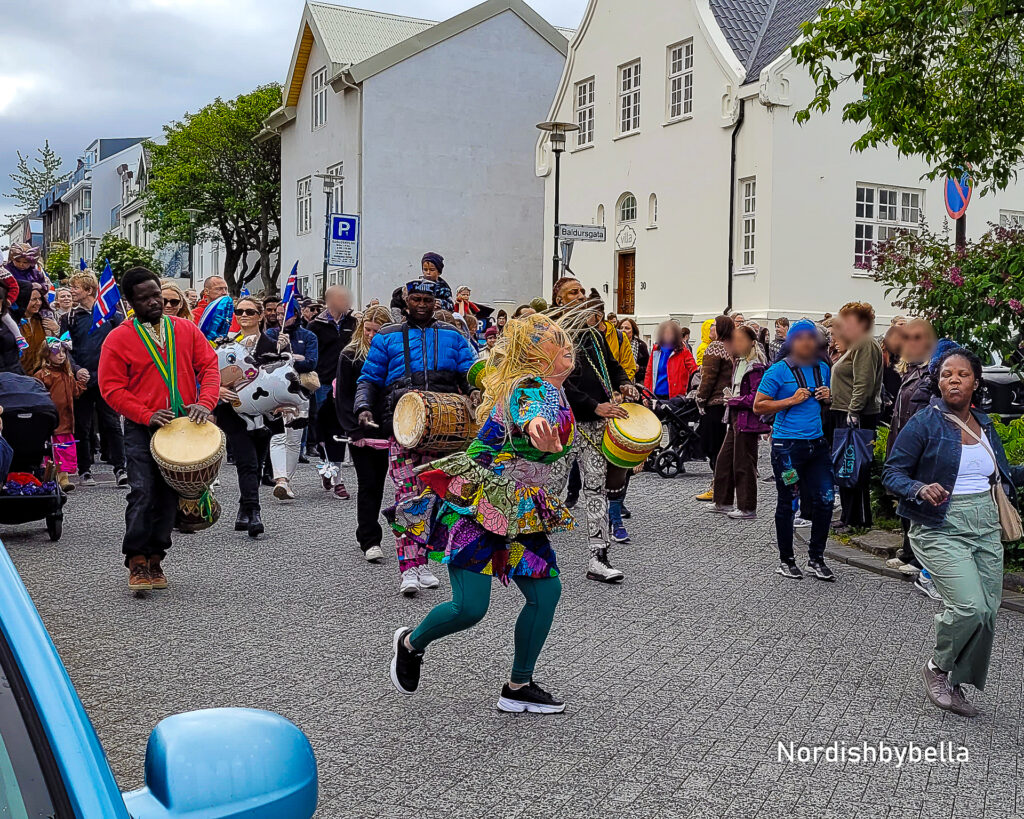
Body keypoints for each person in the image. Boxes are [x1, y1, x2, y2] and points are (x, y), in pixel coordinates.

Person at [388, 313, 576, 714]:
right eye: (553, 341)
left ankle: (518, 685)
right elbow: (530, 409)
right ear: (533, 357)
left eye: (563, 337)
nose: (564, 345)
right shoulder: (529, 386)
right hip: (480, 504)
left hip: (520, 506)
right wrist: (535, 422)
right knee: (470, 608)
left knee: (546, 593)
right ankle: (410, 643)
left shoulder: (559, 390)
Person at [883, 348, 1024, 718]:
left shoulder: (984, 423)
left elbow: (1003, 475)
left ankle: (955, 680)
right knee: (969, 606)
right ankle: (936, 668)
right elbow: (892, 473)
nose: (954, 380)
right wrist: (919, 488)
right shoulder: (925, 422)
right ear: (938, 380)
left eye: (962, 374)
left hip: (986, 524)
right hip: (939, 525)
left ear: (976, 381)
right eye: (947, 374)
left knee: (988, 611)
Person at [98, 267, 219, 592]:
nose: (156, 303)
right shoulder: (118, 338)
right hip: (143, 428)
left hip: (183, 427)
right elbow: (110, 388)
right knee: (142, 491)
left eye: (158, 295)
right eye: (145, 298)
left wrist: (205, 403)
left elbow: (209, 365)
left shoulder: (185, 330)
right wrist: (146, 414)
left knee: (168, 496)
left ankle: (156, 558)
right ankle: (136, 559)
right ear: (129, 302)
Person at [354, 279, 477, 596]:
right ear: (406, 300)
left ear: (435, 303)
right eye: (416, 298)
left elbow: (470, 371)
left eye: (427, 299)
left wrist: (477, 390)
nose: (421, 304)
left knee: (436, 501)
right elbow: (369, 378)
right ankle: (408, 569)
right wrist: (364, 407)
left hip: (445, 433)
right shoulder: (386, 337)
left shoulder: (453, 335)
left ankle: (422, 563)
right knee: (408, 499)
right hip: (403, 430)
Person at [551, 277, 635, 583]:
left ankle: (598, 557)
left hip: (594, 426)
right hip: (560, 424)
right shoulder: (551, 334)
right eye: (573, 293)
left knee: (596, 489)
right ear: (559, 300)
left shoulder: (593, 333)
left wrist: (624, 383)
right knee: (551, 489)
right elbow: (557, 381)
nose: (581, 296)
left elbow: (612, 366)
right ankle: (531, 553)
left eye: (582, 292)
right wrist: (593, 404)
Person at [753, 319, 835, 581]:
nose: (807, 343)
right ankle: (786, 560)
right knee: (788, 500)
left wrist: (828, 397)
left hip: (817, 445)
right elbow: (759, 406)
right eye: (801, 338)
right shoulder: (777, 371)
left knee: (826, 500)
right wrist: (791, 400)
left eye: (811, 338)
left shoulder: (823, 368)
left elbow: (830, 403)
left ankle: (816, 558)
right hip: (787, 447)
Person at [336, 306, 395, 563]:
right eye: (367, 330)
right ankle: (369, 538)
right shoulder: (350, 355)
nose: (371, 335)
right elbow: (344, 397)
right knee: (368, 483)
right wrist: (353, 430)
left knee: (387, 484)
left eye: (377, 331)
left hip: (390, 427)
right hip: (361, 429)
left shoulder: (395, 355)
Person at [60, 271, 128, 487]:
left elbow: (124, 345)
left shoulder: (112, 315)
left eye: (76, 287)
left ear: (89, 290)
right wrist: (77, 369)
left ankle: (120, 468)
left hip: (108, 379)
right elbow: (64, 348)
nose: (72, 291)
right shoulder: (68, 318)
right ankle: (85, 470)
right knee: (82, 425)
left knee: (112, 424)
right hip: (82, 380)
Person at [884, 319, 938, 580]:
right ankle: (907, 551)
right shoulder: (910, 372)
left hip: (917, 447)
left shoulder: (929, 374)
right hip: (902, 444)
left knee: (916, 502)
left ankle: (918, 558)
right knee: (904, 501)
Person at [214, 297, 272, 537]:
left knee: (257, 464)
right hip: (233, 411)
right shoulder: (225, 343)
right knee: (246, 462)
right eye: (239, 311)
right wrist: (217, 388)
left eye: (250, 311)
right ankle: (255, 513)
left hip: (265, 411)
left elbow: (284, 375)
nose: (244, 315)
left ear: (260, 315)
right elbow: (210, 371)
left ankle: (243, 507)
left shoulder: (274, 343)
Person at [830, 302, 884, 531]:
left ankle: (857, 518)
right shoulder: (855, 346)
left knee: (855, 466)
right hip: (844, 411)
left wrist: (853, 411)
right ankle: (848, 515)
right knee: (846, 465)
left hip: (857, 414)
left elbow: (864, 382)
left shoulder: (864, 344)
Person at [709, 325, 769, 519]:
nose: (736, 343)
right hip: (735, 416)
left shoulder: (756, 367)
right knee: (724, 460)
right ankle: (723, 501)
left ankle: (747, 506)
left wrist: (733, 400)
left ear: (752, 343)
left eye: (740, 340)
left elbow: (755, 397)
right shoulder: (739, 362)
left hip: (747, 418)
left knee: (744, 462)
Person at [265, 301, 318, 500]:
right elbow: (266, 362)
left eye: (285, 314)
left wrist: (291, 356)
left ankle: (286, 479)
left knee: (294, 440)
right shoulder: (270, 334)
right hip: (276, 392)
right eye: (278, 314)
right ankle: (279, 479)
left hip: (301, 392)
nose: (280, 317)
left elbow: (312, 362)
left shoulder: (308, 336)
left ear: (295, 315)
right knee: (278, 435)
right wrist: (280, 349)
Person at [306, 286, 356, 498]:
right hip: (322, 382)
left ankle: (337, 480)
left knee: (338, 429)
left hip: (345, 382)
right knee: (320, 428)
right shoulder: (315, 326)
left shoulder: (353, 323)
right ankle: (326, 465)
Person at [35, 336, 85, 492]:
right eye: (57, 352)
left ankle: (64, 478)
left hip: (66, 421)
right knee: (53, 452)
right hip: (52, 422)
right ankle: (54, 479)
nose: (61, 355)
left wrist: (82, 383)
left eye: (64, 351)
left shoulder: (67, 374)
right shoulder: (43, 375)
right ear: (46, 354)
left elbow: (75, 392)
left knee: (65, 450)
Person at [694, 316, 735, 501]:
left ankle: (717, 487)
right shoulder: (733, 347)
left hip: (715, 403)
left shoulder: (715, 347)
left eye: (713, 326)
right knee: (724, 448)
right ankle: (724, 487)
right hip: (730, 402)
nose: (710, 329)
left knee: (713, 448)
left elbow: (708, 378)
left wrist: (700, 399)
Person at [643, 320, 696, 399]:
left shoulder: (684, 352)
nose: (667, 336)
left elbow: (693, 369)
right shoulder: (656, 350)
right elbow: (649, 374)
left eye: (671, 333)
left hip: (675, 398)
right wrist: (646, 395)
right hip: (656, 395)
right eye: (665, 333)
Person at [19, 284, 60, 375]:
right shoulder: (13, 323)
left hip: (41, 374)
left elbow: (55, 348)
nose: (38, 303)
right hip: (18, 376)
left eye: (40, 299)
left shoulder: (43, 320)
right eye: (34, 299)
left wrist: (57, 331)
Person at [619, 318, 649, 386]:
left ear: (633, 331)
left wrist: (639, 368)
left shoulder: (641, 345)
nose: (623, 330)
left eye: (627, 328)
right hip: (618, 382)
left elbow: (648, 367)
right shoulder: (615, 344)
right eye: (621, 328)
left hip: (635, 383)